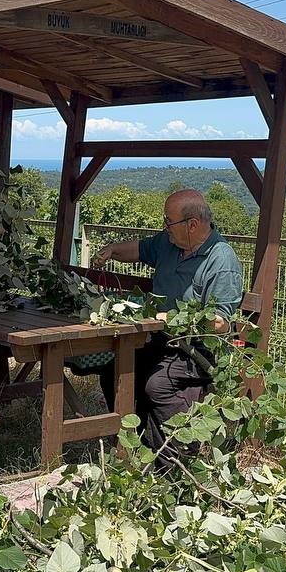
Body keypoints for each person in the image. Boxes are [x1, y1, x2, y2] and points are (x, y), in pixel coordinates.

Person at [90, 189, 244, 451]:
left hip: (195, 349)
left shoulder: (222, 260)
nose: (165, 227)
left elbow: (220, 323)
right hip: (159, 341)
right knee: (112, 370)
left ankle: (179, 457)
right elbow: (139, 249)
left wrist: (172, 318)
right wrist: (112, 250)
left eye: (168, 222)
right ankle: (134, 448)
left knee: (157, 384)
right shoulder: (170, 243)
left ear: (192, 224)